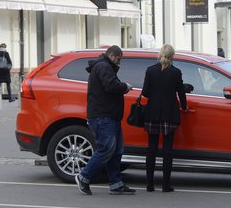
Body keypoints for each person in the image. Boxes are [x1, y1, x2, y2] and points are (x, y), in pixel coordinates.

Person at [75, 45, 136, 196]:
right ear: (113, 56)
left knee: (116, 151)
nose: (120, 63)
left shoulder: (105, 66)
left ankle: (116, 183)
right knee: (106, 149)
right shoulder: (103, 67)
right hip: (103, 116)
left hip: (110, 116)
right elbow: (111, 86)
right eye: (119, 59)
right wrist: (125, 87)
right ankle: (84, 176)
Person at [141, 44, 187, 192]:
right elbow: (181, 93)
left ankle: (149, 184)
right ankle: (166, 185)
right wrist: (184, 107)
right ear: (172, 56)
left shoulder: (150, 71)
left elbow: (145, 93)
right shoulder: (176, 72)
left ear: (160, 54)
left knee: (151, 150)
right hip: (169, 114)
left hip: (152, 114)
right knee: (167, 151)